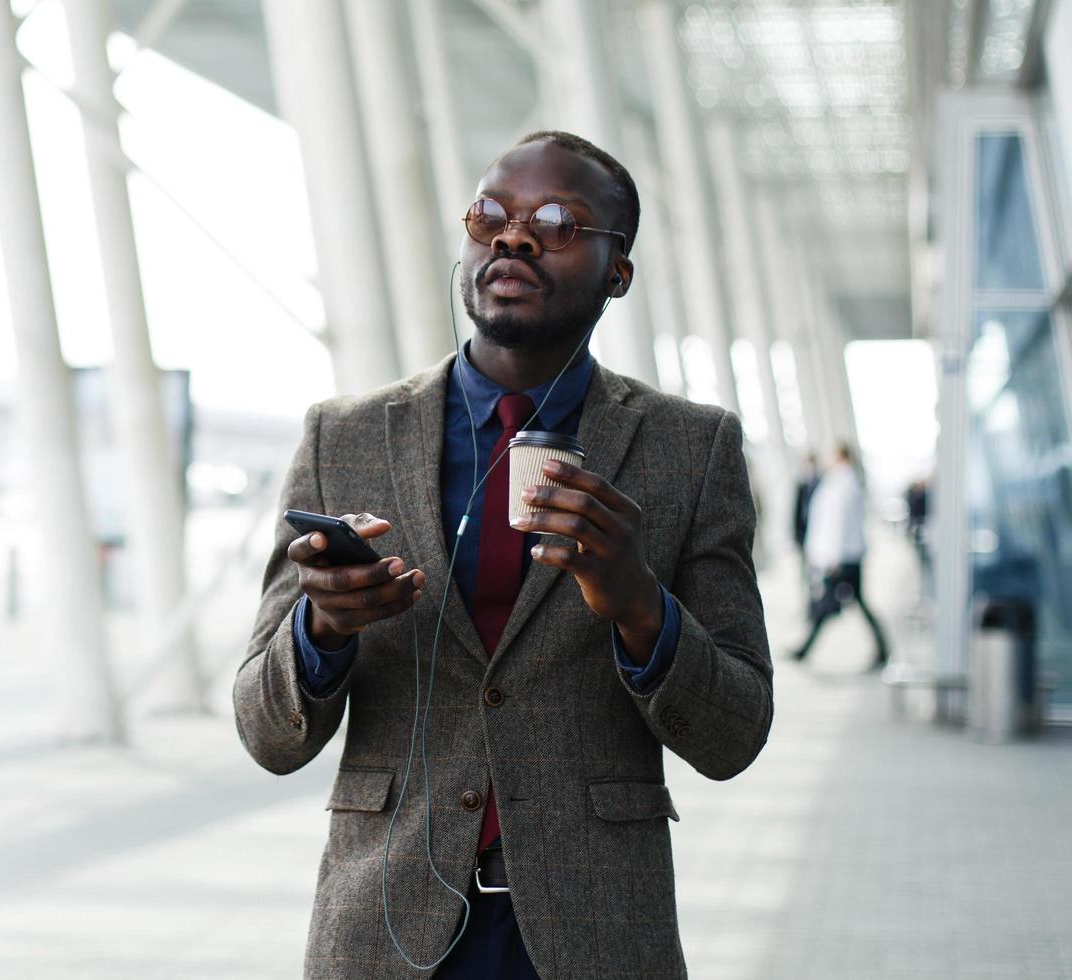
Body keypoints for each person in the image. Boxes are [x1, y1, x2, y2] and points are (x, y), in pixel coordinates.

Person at [234, 131, 773, 979]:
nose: (513, 237)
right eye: (491, 214)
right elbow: (265, 731)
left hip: (594, 932)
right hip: (387, 927)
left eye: (559, 223)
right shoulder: (345, 437)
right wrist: (321, 630)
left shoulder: (690, 448)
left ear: (617, 273)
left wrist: (641, 607)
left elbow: (736, 732)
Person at [791, 442, 890, 668]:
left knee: (830, 604)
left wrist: (832, 557)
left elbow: (838, 524)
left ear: (841, 456)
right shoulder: (842, 481)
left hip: (842, 558)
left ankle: (804, 649)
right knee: (851, 603)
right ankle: (882, 649)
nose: (827, 458)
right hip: (846, 556)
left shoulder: (844, 483)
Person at [793, 453, 820, 590]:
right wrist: (796, 536)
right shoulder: (801, 486)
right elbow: (796, 513)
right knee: (805, 570)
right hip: (804, 534)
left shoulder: (821, 483)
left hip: (817, 534)